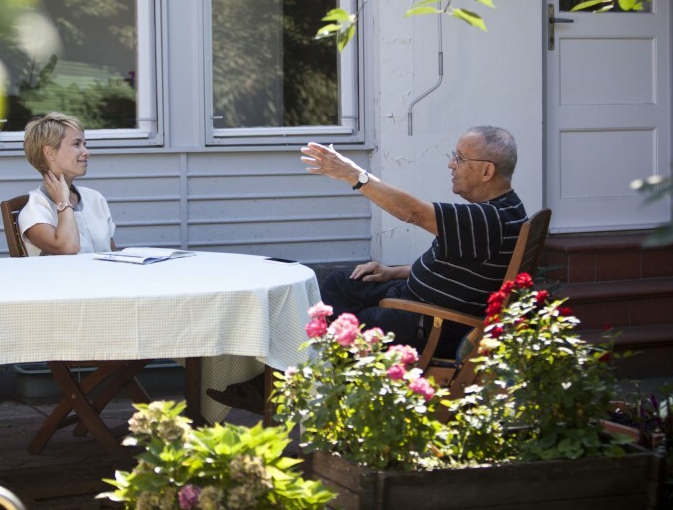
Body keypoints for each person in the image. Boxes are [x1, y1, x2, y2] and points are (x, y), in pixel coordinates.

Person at [207, 125, 527, 413]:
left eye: (459, 158)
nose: (450, 164)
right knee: (338, 284)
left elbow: (413, 213)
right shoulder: (506, 211)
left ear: (486, 171)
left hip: (428, 324)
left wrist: (355, 176)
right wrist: (394, 271)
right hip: (417, 304)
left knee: (336, 326)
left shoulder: (486, 220)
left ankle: (284, 391)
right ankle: (272, 382)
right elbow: (459, 267)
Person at [18, 112, 116, 256]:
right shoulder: (34, 211)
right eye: (77, 144)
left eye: (84, 144)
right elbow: (69, 248)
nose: (86, 152)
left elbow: (113, 254)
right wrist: (63, 202)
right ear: (49, 152)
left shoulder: (95, 198)